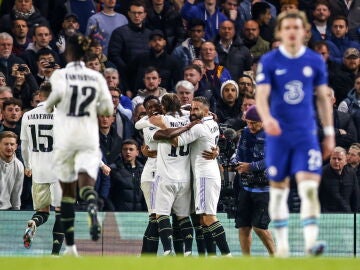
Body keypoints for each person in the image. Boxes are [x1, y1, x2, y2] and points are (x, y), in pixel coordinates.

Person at [255, 11, 335, 257]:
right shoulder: (269, 61)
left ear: (304, 32)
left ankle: (311, 243)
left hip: (305, 135)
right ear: (279, 31)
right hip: (278, 136)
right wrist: (267, 119)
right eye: (287, 27)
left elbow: (322, 97)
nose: (292, 31)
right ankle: (283, 248)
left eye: (296, 27)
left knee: (308, 188)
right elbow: (261, 95)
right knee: (279, 190)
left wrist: (329, 132)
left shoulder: (314, 61)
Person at [45, 33, 113, 256]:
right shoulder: (96, 77)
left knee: (67, 193)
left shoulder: (60, 74)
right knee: (86, 183)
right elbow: (107, 111)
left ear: (68, 53)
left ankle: (71, 247)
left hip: (66, 138)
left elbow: (52, 102)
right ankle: (92, 203)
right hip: (88, 136)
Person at [174, 96, 231, 256]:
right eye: (191, 108)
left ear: (206, 111)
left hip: (205, 175)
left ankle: (228, 256)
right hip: (208, 173)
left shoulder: (198, 127)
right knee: (202, 220)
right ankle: (211, 258)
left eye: (196, 109)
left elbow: (176, 141)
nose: (192, 111)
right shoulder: (213, 123)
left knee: (208, 218)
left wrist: (159, 131)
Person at [20, 82, 64, 255]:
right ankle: (54, 254)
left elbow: (24, 146)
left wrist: (27, 165)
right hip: (59, 171)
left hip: (38, 171)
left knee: (42, 211)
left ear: (39, 95)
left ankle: (34, 223)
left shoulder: (28, 115)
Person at [232, 105, 275, 256]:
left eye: (254, 123)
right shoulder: (244, 132)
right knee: (243, 226)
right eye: (248, 122)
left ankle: (276, 258)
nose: (250, 126)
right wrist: (235, 162)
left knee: (259, 227)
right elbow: (238, 152)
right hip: (245, 187)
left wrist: (249, 167)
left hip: (265, 189)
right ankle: (247, 262)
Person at [108, 0, 151, 97]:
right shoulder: (119, 32)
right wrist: (128, 68)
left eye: (139, 13)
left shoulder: (150, 34)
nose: (137, 16)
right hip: (125, 78)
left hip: (147, 78)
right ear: (129, 14)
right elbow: (114, 55)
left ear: (144, 14)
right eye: (134, 13)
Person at [319, 147, 360, 213]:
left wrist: (355, 215)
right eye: (334, 158)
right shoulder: (322, 173)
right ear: (330, 159)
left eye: (339, 159)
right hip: (327, 216)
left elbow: (355, 197)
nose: (336, 161)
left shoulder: (351, 174)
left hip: (347, 215)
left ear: (345, 161)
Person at [109, 139, 146, 211]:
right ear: (121, 152)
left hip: (140, 215)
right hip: (120, 214)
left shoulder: (144, 170)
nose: (128, 152)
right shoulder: (114, 170)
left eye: (131, 149)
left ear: (137, 152)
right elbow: (109, 194)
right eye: (125, 149)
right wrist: (113, 210)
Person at [0, 131, 24, 210]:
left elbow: (16, 193)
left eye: (12, 144)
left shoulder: (19, 166)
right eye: (6, 144)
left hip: (6, 210)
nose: (9, 147)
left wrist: (16, 211)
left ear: (16, 146)